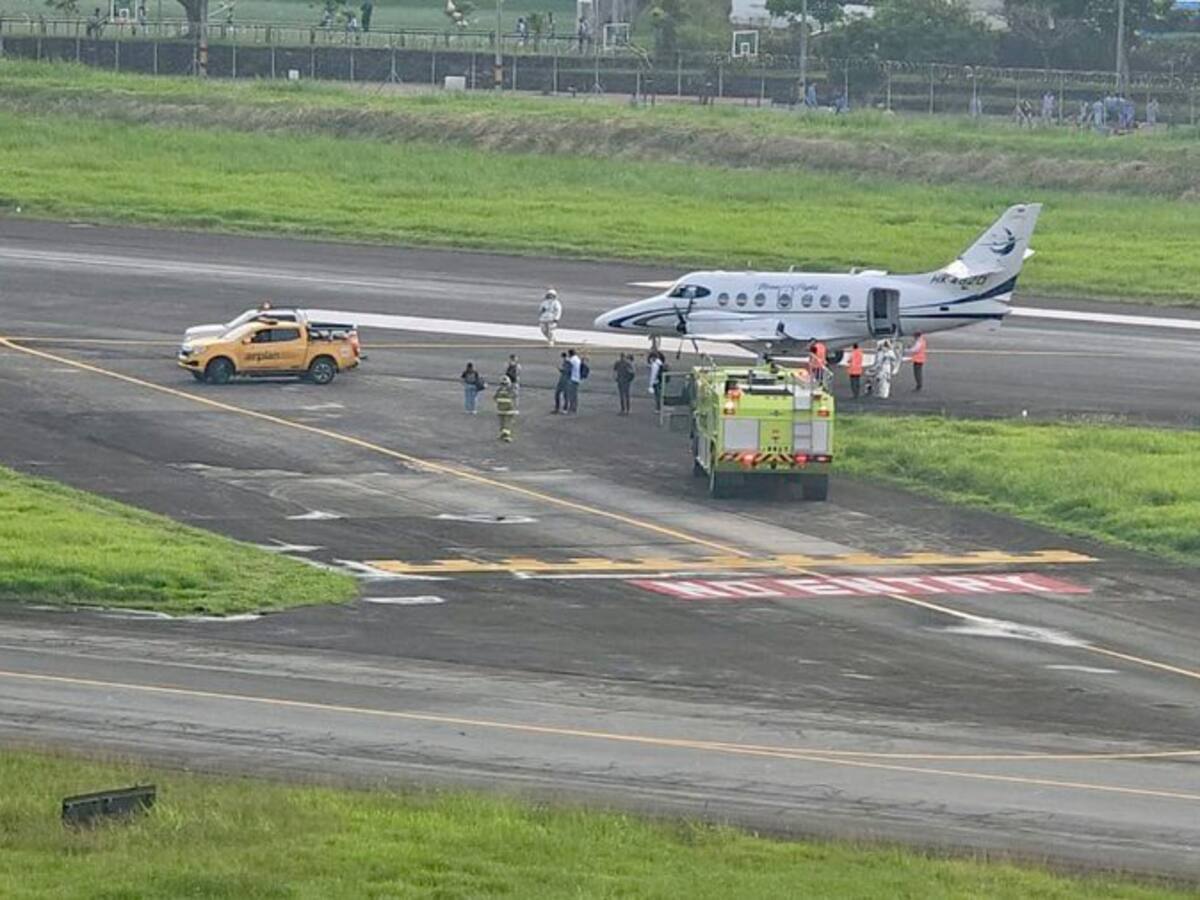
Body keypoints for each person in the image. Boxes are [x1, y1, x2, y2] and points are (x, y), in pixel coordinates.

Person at [494, 376, 517, 442]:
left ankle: (503, 434)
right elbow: (515, 396)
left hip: (500, 409)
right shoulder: (510, 390)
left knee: (502, 423)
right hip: (508, 409)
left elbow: (495, 398)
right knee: (507, 423)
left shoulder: (499, 390)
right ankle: (506, 436)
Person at [566, 348, 583, 414]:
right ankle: (574, 408)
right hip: (577, 378)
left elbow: (569, 369)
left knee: (571, 395)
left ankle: (571, 409)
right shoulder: (577, 359)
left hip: (572, 379)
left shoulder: (572, 360)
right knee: (575, 395)